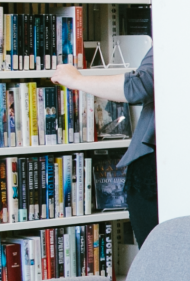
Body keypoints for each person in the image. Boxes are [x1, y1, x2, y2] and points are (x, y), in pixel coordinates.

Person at [51, 48, 157, 246]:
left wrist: (76, 80)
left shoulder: (179, 34)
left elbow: (140, 84)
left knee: (158, 262)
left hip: (155, 167)